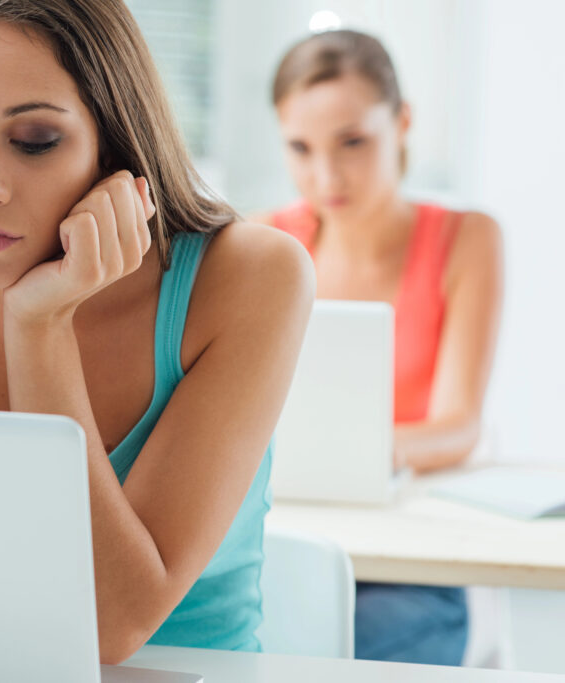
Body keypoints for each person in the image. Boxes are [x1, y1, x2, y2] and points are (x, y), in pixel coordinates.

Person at [0, 0, 313, 665]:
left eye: (33, 142)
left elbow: (108, 627)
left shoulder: (250, 277)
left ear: (110, 145)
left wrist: (39, 324)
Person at [258, 29, 504, 665]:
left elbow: (458, 425)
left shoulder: (467, 239)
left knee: (338, 647)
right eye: (300, 148)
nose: (326, 175)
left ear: (403, 122)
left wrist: (348, 455)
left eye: (353, 142)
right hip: (287, 533)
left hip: (406, 555)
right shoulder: (263, 244)